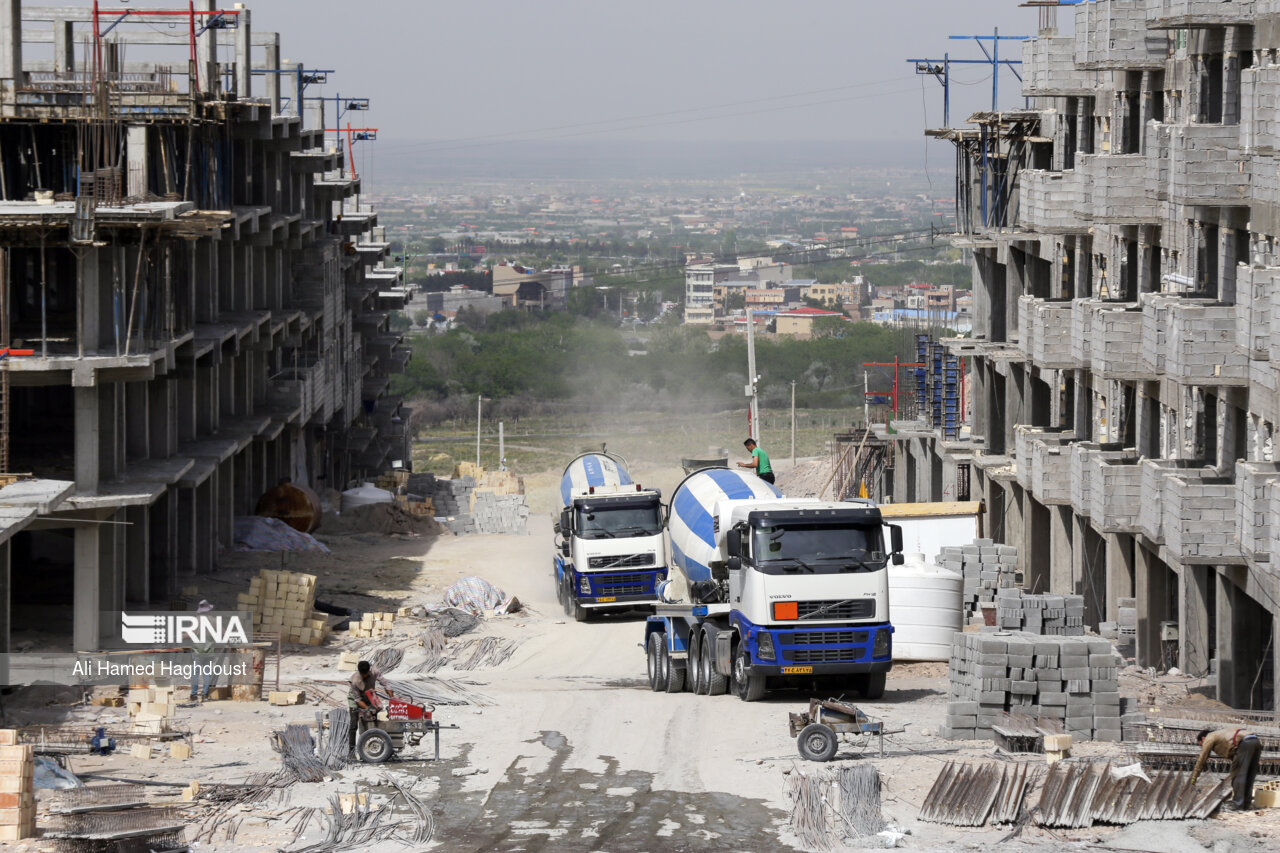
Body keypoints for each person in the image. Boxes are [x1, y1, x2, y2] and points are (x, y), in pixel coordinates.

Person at [1192, 726, 1263, 810]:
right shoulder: (1222, 734)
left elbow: (1202, 758)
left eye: (1201, 744)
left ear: (1203, 739)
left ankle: (1237, 804)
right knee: (1249, 774)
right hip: (1255, 741)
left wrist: (1194, 777)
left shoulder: (1209, 737)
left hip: (1244, 744)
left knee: (1238, 775)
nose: (1202, 746)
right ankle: (1247, 804)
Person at [348, 660, 396, 752]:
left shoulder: (374, 671)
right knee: (353, 725)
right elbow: (358, 699)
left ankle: (374, 744)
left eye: (366, 674)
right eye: (362, 674)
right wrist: (368, 709)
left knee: (373, 718)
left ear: (369, 670)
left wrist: (390, 693)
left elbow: (384, 682)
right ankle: (351, 750)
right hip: (355, 698)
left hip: (369, 695)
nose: (364, 676)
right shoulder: (355, 681)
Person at [189, 600, 217, 703]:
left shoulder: (196, 620)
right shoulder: (214, 621)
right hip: (209, 651)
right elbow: (223, 632)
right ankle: (205, 695)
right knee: (207, 674)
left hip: (198, 651)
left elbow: (190, 634)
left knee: (195, 674)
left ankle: (194, 695)